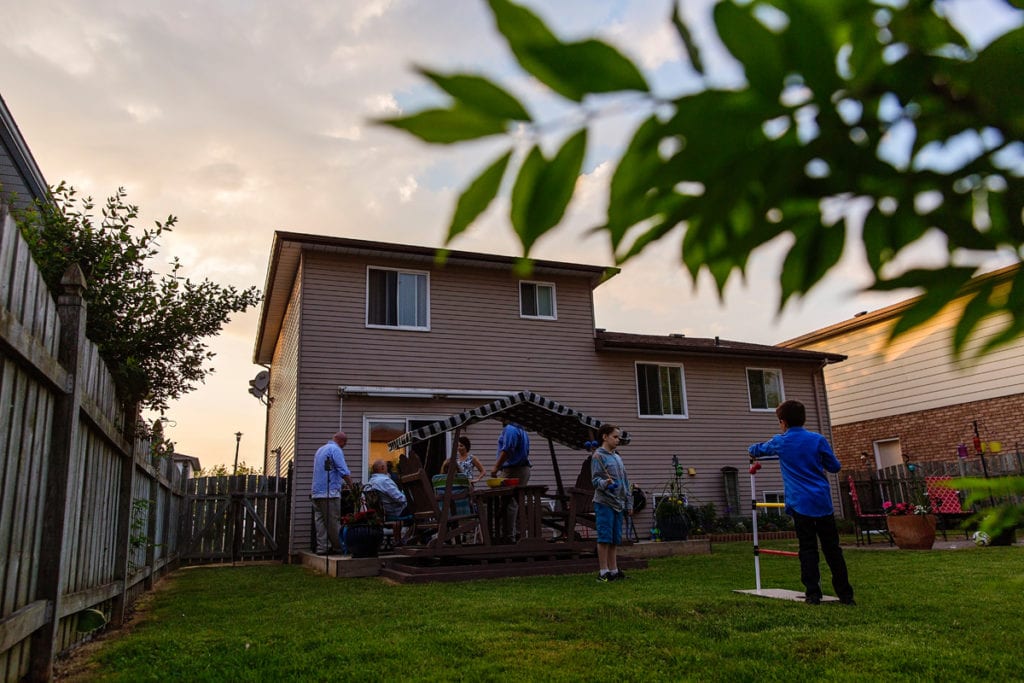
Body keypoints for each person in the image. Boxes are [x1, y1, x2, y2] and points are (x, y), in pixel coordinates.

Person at [748, 400, 855, 605]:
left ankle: (813, 593)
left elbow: (757, 449)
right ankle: (845, 595)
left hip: (800, 503)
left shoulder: (781, 441)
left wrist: (751, 449)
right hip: (822, 501)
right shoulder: (818, 440)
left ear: (783, 422)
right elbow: (834, 467)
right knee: (832, 549)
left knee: (807, 548)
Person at [592, 423, 633, 582]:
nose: (618, 440)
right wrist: (605, 483)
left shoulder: (617, 457)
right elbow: (595, 480)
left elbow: (625, 480)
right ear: (605, 437)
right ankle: (603, 572)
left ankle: (614, 570)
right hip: (604, 502)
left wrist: (628, 502)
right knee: (605, 537)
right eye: (615, 437)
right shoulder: (598, 456)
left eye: (619, 437)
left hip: (618, 503)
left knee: (615, 538)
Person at [311, 431, 353, 555]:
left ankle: (322, 548)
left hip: (316, 492)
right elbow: (343, 471)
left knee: (320, 522)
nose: (344, 446)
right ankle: (339, 548)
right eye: (345, 443)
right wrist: (352, 487)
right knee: (333, 522)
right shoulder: (335, 450)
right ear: (342, 441)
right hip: (329, 493)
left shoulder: (320, 450)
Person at [490, 418, 531, 540]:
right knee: (517, 502)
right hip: (523, 469)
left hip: (513, 469)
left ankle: (508, 536)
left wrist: (496, 467)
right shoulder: (522, 429)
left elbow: (507, 449)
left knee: (508, 502)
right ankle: (519, 534)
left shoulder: (511, 429)